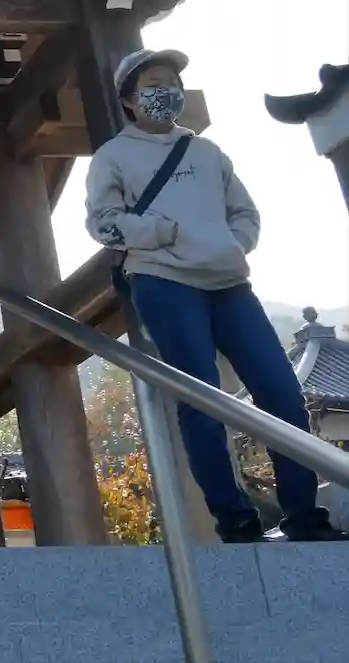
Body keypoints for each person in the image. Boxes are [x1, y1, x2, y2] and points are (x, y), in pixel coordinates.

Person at [85, 48, 346, 543]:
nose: (166, 92)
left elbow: (245, 212)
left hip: (230, 285)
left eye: (172, 83)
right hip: (163, 283)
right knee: (202, 401)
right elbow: (103, 223)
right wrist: (163, 233)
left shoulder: (206, 152)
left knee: (283, 395)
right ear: (129, 100)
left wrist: (233, 244)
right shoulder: (113, 156)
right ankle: (235, 518)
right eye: (153, 85)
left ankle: (303, 514)